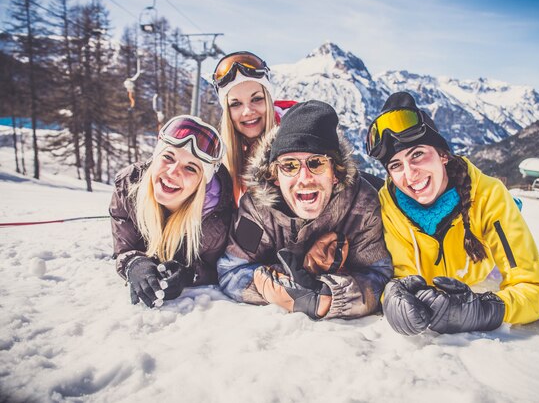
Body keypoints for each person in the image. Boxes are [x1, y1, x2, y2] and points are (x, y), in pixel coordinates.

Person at [366, 92, 539, 335]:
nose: (410, 175)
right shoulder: (388, 206)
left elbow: (533, 288)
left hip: (481, 270)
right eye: (396, 165)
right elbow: (400, 276)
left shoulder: (489, 196)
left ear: (443, 155)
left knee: (506, 211)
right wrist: (391, 296)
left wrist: (485, 310)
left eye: (418, 154)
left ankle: (514, 208)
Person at [217, 100, 393, 319]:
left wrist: (329, 296)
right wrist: (283, 290)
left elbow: (380, 275)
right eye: (289, 166)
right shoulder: (257, 209)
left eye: (316, 163)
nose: (304, 178)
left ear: (335, 172)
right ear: (274, 176)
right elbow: (232, 270)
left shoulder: (362, 206)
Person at [110, 115, 233, 308]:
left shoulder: (216, 220)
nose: (173, 172)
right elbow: (124, 247)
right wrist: (134, 263)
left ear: (203, 182)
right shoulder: (128, 188)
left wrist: (189, 274)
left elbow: (217, 267)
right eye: (168, 157)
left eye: (190, 168)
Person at [212, 51, 297, 204]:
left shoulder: (298, 140)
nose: (248, 111)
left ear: (269, 101)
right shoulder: (219, 162)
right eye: (236, 104)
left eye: (256, 99)